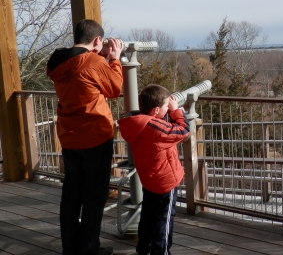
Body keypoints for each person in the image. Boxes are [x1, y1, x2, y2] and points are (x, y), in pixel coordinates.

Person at [47, 19, 123, 255]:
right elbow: (115, 89)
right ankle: (90, 248)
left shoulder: (57, 61)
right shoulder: (93, 61)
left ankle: (70, 247)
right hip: (95, 137)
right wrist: (115, 58)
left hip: (69, 137)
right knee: (94, 196)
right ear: (98, 40)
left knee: (71, 195)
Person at [117, 84, 190, 255]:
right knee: (164, 220)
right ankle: (161, 252)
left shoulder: (135, 122)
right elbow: (184, 131)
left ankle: (143, 249)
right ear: (156, 110)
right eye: (166, 106)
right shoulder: (154, 128)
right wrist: (176, 111)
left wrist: (168, 110)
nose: (168, 108)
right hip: (165, 182)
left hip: (149, 180)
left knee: (148, 216)